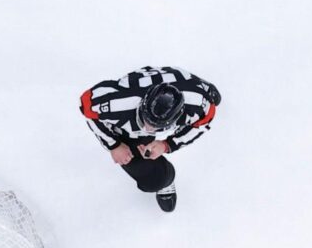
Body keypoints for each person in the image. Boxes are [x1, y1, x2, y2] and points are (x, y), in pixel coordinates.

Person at [79, 66, 221, 212]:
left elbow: (203, 121)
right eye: (146, 121)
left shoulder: (198, 107)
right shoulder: (118, 103)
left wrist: (167, 144)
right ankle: (164, 179)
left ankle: (205, 87)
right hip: (139, 92)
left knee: (210, 98)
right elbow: (86, 104)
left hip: (185, 82)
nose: (148, 129)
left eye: (156, 127)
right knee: (150, 178)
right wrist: (114, 144)